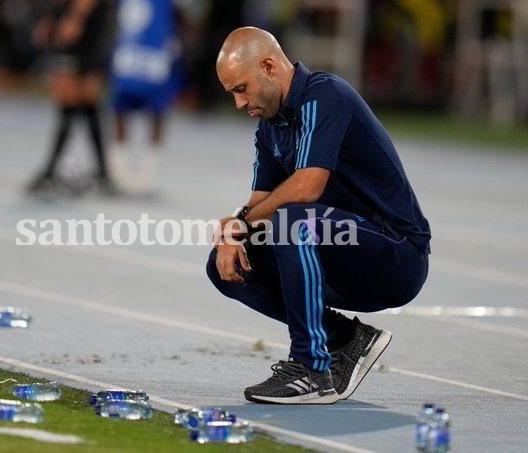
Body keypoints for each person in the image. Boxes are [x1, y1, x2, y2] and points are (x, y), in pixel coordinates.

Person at [207, 27, 431, 404]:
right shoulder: (270, 126)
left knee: (290, 222)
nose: (238, 103)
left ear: (268, 66)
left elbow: (306, 187)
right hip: (336, 247)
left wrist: (242, 223)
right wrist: (234, 232)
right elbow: (259, 202)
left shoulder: (325, 97)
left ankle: (313, 369)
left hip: (396, 254)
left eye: (241, 88)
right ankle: (346, 338)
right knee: (225, 266)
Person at [27, 0, 112, 196]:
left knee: (71, 113)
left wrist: (72, 21)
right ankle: (102, 173)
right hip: (85, 52)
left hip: (80, 55)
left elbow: (71, 28)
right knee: (87, 114)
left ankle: (50, 171)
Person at [107, 0, 182, 193]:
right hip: (130, 54)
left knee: (157, 113)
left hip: (154, 57)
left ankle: (148, 171)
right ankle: (118, 168)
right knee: (120, 110)